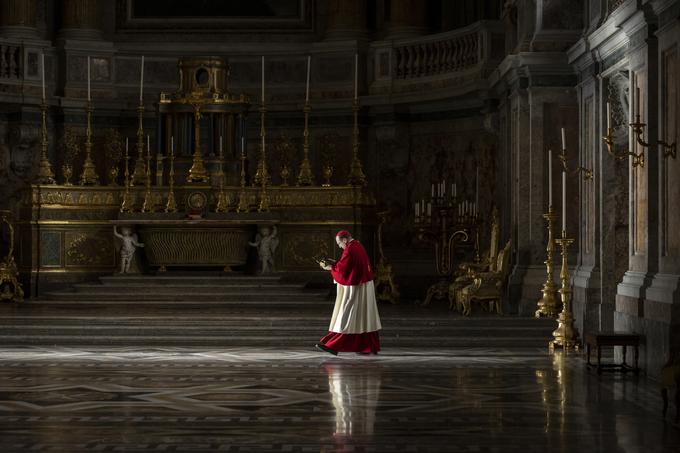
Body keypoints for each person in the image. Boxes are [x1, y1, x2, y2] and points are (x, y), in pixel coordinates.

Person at [316, 230, 382, 355]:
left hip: (356, 287)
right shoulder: (357, 245)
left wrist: (329, 268)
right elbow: (348, 265)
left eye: (339, 243)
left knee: (347, 315)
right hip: (364, 285)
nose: (339, 246)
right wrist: (336, 263)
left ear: (345, 240)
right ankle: (367, 346)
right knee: (364, 317)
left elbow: (344, 270)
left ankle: (334, 346)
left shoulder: (350, 249)